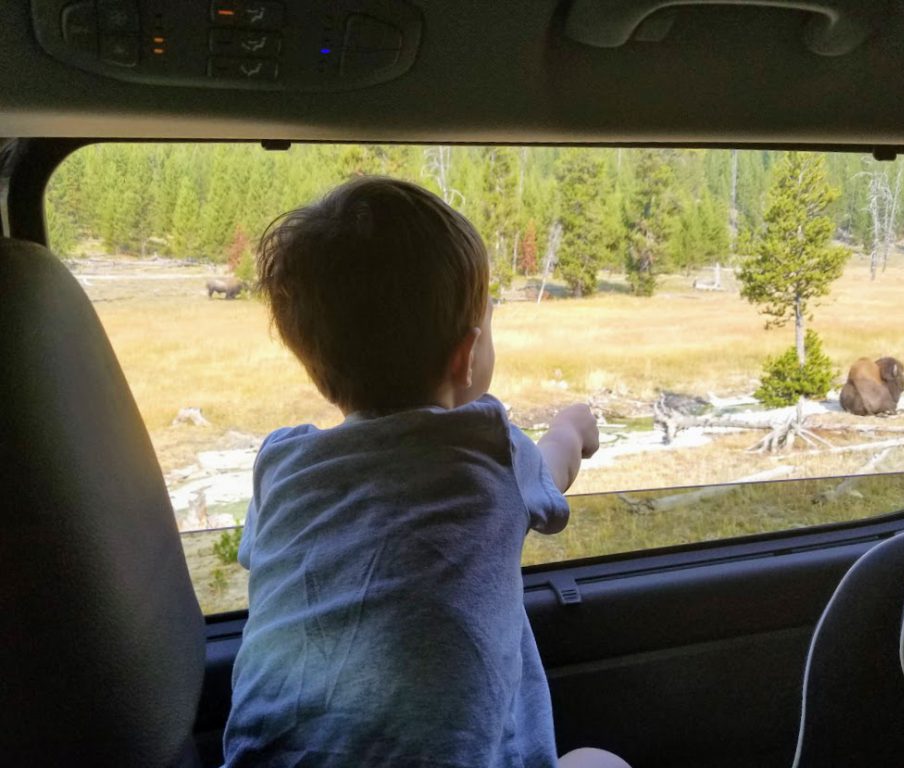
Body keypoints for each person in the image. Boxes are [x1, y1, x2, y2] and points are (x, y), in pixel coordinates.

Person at [223, 176, 630, 768]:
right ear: (466, 356)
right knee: (599, 762)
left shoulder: (279, 465)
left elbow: (266, 557)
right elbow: (555, 470)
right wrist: (574, 428)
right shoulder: (489, 450)